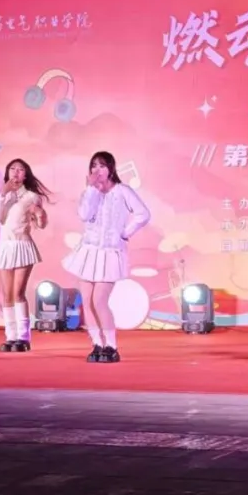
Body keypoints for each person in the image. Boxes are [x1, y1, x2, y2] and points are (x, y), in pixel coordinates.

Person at [62, 151, 151, 363]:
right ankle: (97, 344)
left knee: (99, 300)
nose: (97, 170)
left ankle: (111, 346)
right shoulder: (89, 192)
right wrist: (91, 189)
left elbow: (143, 214)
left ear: (111, 168)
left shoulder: (122, 191)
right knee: (87, 301)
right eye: (94, 166)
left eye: (102, 166)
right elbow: (84, 215)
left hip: (110, 253)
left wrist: (125, 233)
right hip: (88, 252)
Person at [0, 159, 51, 352]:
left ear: (26, 175)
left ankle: (23, 337)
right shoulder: (2, 196)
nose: (16, 173)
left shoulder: (32, 197)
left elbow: (41, 224)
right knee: (7, 294)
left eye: (20, 169)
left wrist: (40, 214)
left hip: (22, 245)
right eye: (12, 169)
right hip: (5, 247)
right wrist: (3, 193)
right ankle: (11, 336)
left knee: (18, 293)